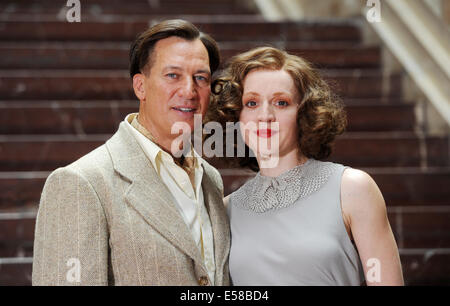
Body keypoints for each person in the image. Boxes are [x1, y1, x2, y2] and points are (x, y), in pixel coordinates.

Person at [32, 19, 230, 286]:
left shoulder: (211, 179)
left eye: (200, 78)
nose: (189, 91)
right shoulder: (81, 183)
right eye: (173, 75)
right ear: (140, 86)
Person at [208, 46, 404, 286]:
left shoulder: (352, 189)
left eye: (281, 102)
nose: (265, 115)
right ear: (236, 117)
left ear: (304, 114)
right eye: (251, 103)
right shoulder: (226, 210)